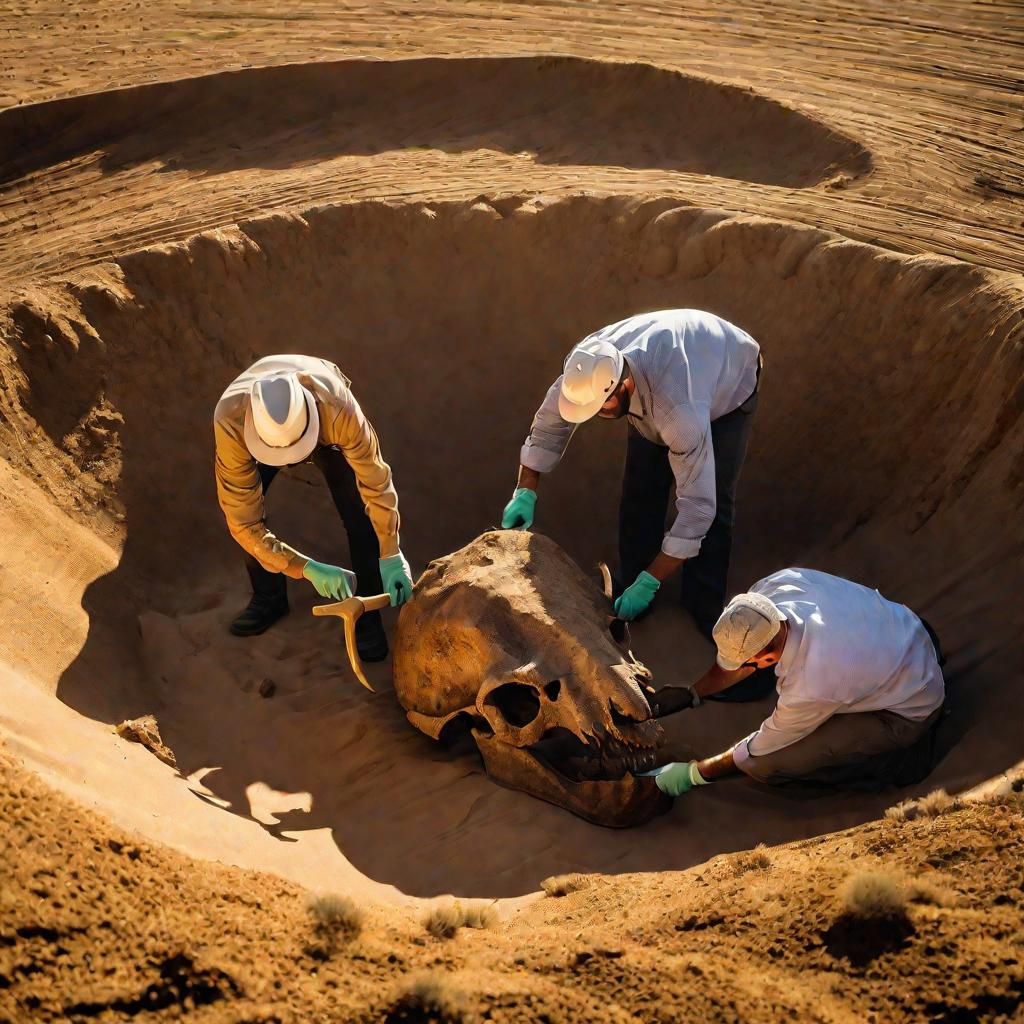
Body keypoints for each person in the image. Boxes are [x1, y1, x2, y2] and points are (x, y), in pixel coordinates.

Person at [502, 309, 761, 637]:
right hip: (665, 379)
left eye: (603, 406)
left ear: (623, 385)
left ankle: (703, 607)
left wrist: (650, 582)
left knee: (715, 500)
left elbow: (699, 509)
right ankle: (632, 579)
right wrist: (525, 490)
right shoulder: (587, 363)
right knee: (640, 491)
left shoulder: (679, 413)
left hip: (730, 381)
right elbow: (549, 425)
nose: (597, 414)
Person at [644, 568, 946, 795]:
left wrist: (694, 774)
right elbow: (740, 657)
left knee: (764, 765)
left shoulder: (815, 680)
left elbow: (760, 747)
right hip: (909, 631)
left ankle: (899, 761)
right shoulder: (777, 588)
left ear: (763, 659)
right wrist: (691, 693)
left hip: (909, 708)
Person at [214, 354, 414, 660]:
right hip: (251, 439)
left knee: (359, 511)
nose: (293, 461)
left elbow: (375, 483)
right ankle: (269, 598)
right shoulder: (231, 421)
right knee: (249, 515)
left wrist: (390, 551)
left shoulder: (338, 407)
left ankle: (367, 612)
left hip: (327, 433)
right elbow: (243, 523)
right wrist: (305, 568)